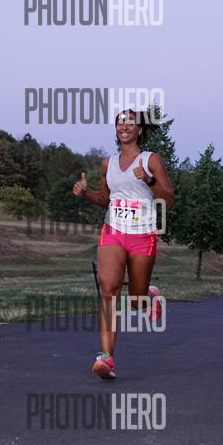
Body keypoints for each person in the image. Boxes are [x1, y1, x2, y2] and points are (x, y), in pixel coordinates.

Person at [72, 109, 174, 380]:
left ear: (139, 129)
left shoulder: (151, 160)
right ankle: (106, 358)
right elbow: (105, 199)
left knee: (136, 301)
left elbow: (169, 200)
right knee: (108, 290)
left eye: (130, 123)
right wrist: (86, 193)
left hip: (142, 235)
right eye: (120, 123)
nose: (124, 126)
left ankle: (149, 296)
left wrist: (149, 180)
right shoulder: (108, 164)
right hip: (113, 231)